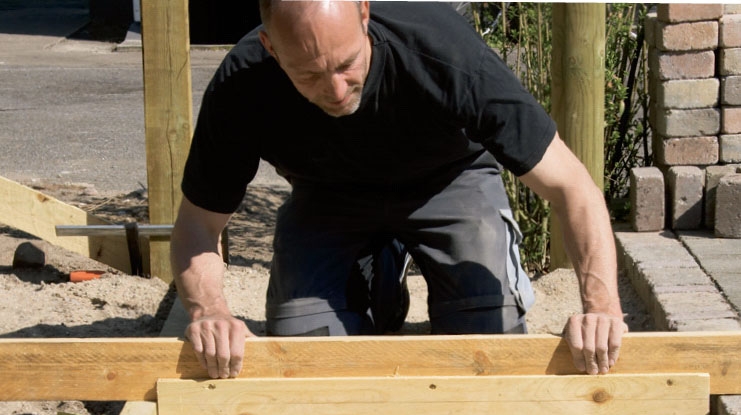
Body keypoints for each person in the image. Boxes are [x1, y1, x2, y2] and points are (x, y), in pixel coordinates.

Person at [171, 0, 626, 380]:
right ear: (271, 47)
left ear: (364, 14)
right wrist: (209, 312)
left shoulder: (444, 51)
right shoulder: (242, 83)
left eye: (346, 64)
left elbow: (574, 189)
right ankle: (383, 271)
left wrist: (602, 307)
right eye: (308, 75)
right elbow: (197, 224)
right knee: (305, 353)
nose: (335, 89)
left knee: (487, 341)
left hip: (450, 180)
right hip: (328, 196)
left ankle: (414, 266)